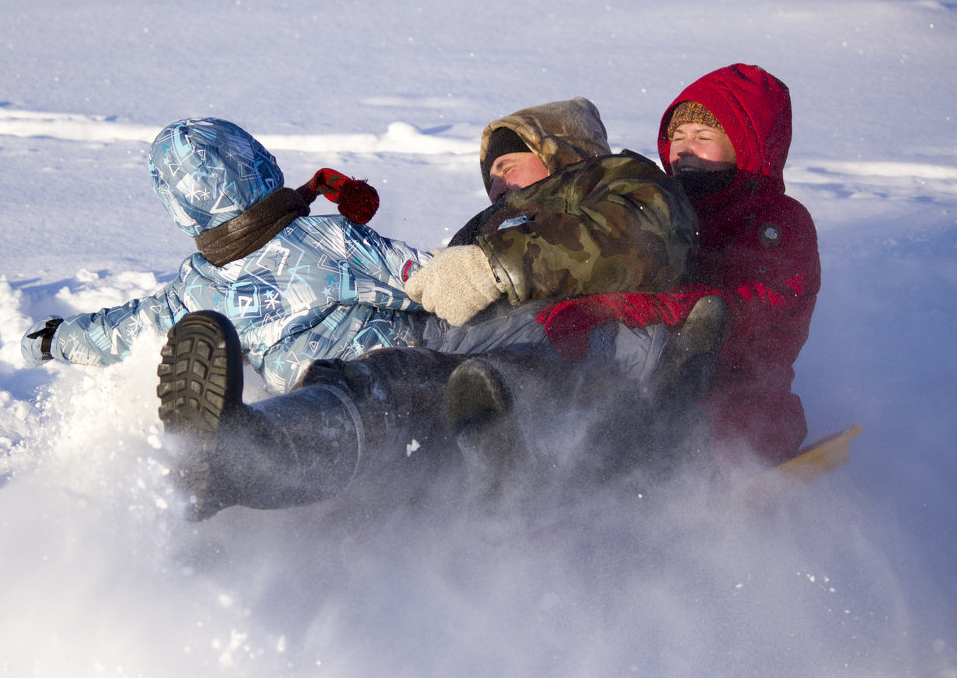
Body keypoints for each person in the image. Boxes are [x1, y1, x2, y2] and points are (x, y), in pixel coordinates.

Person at [156, 98, 703, 520]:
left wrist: (495, 269)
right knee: (390, 383)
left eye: (511, 165)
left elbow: (644, 236)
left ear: (563, 154)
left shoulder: (615, 182)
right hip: (473, 364)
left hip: (582, 358)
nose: (497, 182)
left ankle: (260, 457)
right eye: (490, 174)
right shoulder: (486, 230)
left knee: (451, 382)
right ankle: (245, 459)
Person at [20, 117, 434, 394]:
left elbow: (121, 332)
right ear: (259, 161)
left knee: (309, 413)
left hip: (309, 397)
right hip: (402, 375)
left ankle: (241, 437)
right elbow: (427, 280)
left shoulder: (194, 292)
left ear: (180, 208)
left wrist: (54, 338)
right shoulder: (329, 240)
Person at [535, 64, 819, 464]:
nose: (684, 150)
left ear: (747, 146)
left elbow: (733, 308)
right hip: (643, 379)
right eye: (678, 137)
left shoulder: (778, 223)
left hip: (740, 409)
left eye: (704, 137)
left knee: (633, 427)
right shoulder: (668, 210)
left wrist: (607, 308)